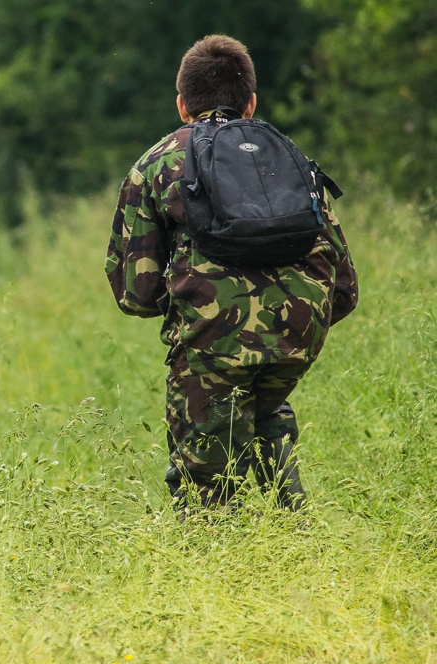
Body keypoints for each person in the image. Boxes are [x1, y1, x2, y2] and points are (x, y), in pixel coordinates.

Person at [105, 35, 358, 514]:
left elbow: (135, 294)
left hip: (211, 342)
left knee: (205, 492)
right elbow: (343, 286)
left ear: (182, 105)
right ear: (251, 102)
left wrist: (198, 309)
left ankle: (217, 556)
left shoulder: (157, 163)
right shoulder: (287, 158)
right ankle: (293, 532)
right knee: (267, 413)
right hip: (298, 334)